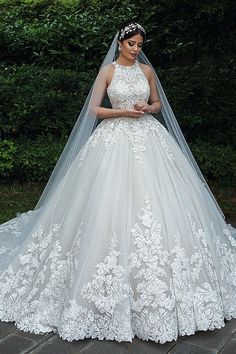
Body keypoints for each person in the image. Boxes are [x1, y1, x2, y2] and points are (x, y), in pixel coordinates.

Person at [0, 21, 235, 344]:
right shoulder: (107, 72)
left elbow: (157, 104)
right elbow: (94, 110)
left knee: (161, 204)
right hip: (113, 140)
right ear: (120, 43)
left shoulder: (147, 72)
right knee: (106, 203)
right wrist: (122, 113)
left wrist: (146, 108)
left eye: (140, 44)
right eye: (132, 44)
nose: (137, 49)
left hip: (149, 138)